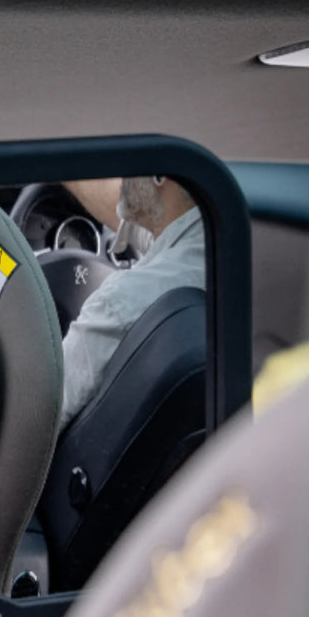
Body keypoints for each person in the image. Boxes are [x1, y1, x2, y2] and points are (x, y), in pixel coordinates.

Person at [59, 176, 205, 432]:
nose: (120, 177)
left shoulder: (124, 301)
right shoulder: (216, 236)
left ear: (159, 177)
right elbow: (115, 201)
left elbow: (37, 415)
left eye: (126, 164)